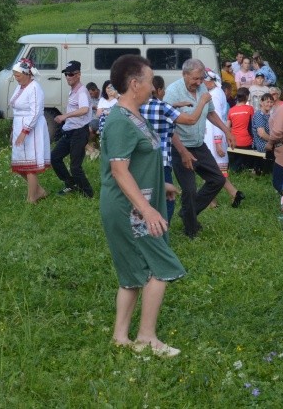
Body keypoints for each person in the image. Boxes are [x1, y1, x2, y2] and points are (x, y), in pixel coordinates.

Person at [99, 55, 185, 358]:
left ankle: (120, 337)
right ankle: (147, 337)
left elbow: (139, 162)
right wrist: (147, 210)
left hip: (138, 201)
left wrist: (164, 186)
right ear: (134, 83)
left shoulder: (134, 115)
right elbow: (120, 171)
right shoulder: (121, 120)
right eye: (149, 81)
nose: (153, 87)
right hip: (130, 208)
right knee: (161, 266)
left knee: (132, 273)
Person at [164, 59, 236, 237]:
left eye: (201, 78)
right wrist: (181, 151)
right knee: (189, 190)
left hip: (198, 144)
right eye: (195, 79)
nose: (198, 82)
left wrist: (226, 131)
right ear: (185, 74)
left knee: (217, 179)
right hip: (180, 147)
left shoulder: (202, 88)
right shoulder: (173, 92)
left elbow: (210, 113)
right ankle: (191, 231)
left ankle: (188, 212)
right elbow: (167, 123)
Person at [141, 75, 210, 220]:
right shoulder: (162, 107)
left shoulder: (138, 107)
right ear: (158, 90)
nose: (165, 92)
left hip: (143, 162)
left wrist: (175, 105)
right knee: (167, 200)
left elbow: (157, 113)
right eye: (163, 89)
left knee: (146, 197)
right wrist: (202, 101)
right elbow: (191, 120)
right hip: (162, 161)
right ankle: (162, 232)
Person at [9, 58, 52, 204]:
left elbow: (35, 112)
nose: (16, 78)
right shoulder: (20, 87)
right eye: (15, 75)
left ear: (27, 73)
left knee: (30, 164)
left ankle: (31, 198)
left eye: (18, 75)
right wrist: (15, 130)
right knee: (20, 164)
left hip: (32, 128)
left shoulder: (34, 88)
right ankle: (38, 191)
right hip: (19, 124)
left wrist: (24, 131)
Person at [51, 61, 95, 198]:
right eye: (66, 74)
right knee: (55, 158)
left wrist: (65, 116)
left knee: (75, 167)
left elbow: (84, 109)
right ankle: (71, 184)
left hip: (79, 132)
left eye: (71, 73)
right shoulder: (73, 90)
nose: (68, 76)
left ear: (78, 75)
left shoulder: (82, 91)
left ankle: (88, 194)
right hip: (69, 132)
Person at [203, 70, 243, 206]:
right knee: (214, 170)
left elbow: (217, 118)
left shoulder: (213, 95)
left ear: (210, 81)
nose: (201, 83)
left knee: (210, 169)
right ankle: (221, 197)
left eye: (203, 80)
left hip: (213, 136)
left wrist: (218, 142)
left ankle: (229, 194)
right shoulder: (218, 92)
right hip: (213, 135)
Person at [227, 87, 255, 172]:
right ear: (247, 97)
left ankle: (235, 168)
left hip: (234, 141)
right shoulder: (250, 109)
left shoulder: (231, 110)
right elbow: (253, 125)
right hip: (247, 142)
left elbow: (227, 127)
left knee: (236, 161)